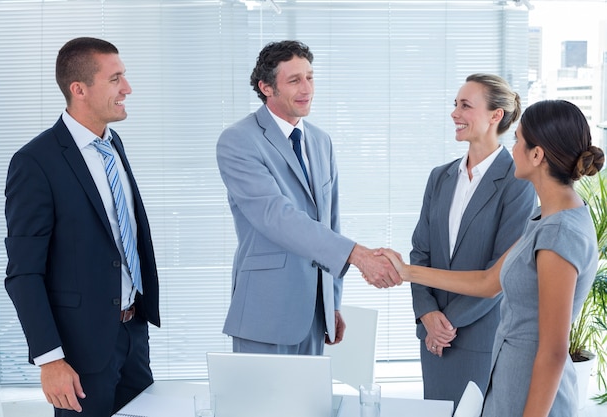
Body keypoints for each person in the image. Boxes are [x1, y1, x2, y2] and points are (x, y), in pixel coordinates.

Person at [380, 99, 604, 416]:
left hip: (533, 399)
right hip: (509, 384)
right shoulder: (546, 217)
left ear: (537, 155)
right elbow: (488, 281)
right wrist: (406, 272)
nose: (511, 149)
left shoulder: (558, 234)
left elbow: (553, 351)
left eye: (517, 141)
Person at [4, 37, 160, 416]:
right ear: (79, 89)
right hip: (78, 354)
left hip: (132, 334)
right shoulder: (34, 163)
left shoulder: (113, 144)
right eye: (115, 79)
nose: (128, 88)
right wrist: (49, 360)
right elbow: (24, 272)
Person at [216, 40, 398, 355]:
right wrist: (358, 255)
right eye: (294, 80)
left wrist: (333, 302)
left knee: (308, 405)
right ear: (266, 87)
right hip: (267, 311)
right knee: (263, 405)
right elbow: (276, 216)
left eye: (310, 77)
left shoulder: (320, 141)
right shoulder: (238, 141)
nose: (307, 88)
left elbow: (331, 221)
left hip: (315, 313)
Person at [409, 73, 536, 408]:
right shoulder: (440, 177)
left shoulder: (518, 182)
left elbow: (502, 272)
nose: (454, 113)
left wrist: (446, 323)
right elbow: (420, 252)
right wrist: (427, 315)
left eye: (465, 105)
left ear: (496, 115)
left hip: (480, 337)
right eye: (455, 104)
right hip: (433, 337)